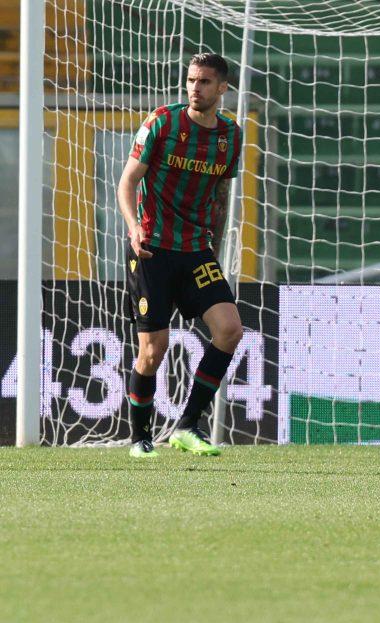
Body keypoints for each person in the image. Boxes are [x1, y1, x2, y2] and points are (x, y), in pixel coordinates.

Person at [117, 53, 244, 458]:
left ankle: (187, 426)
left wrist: (216, 246)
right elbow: (127, 182)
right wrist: (134, 227)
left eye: (205, 82)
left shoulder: (230, 136)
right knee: (153, 351)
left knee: (229, 329)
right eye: (191, 80)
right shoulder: (163, 122)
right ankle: (139, 438)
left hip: (195, 251)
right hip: (152, 247)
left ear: (222, 88)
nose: (195, 88)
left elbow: (221, 194)